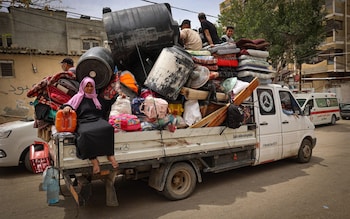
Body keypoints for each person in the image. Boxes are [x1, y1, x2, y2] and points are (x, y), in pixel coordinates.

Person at [62, 77, 118, 174]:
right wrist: (67, 107)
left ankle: (110, 154)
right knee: (85, 133)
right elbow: (68, 105)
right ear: (82, 87)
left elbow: (107, 105)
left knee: (108, 128)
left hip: (97, 120)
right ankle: (93, 160)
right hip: (83, 121)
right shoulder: (77, 97)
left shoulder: (96, 98)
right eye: (87, 86)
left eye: (91, 86)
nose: (89, 88)